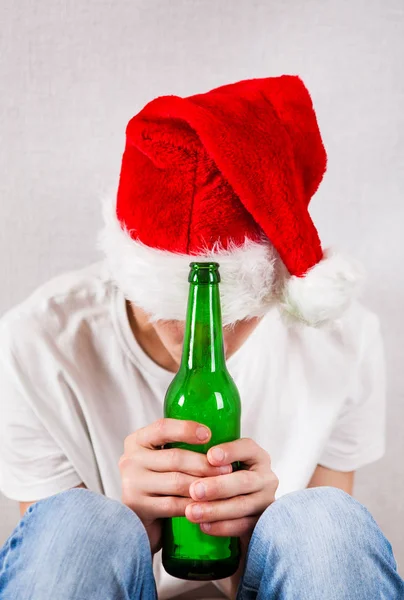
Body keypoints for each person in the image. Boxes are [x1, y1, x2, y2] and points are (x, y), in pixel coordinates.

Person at [0, 75, 402, 600]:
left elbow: (322, 564)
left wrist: (251, 532)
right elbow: (63, 561)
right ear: (134, 271)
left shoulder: (345, 341)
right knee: (80, 525)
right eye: (173, 307)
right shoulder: (38, 342)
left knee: (322, 520)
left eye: (242, 311)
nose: (206, 333)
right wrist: (134, 523)